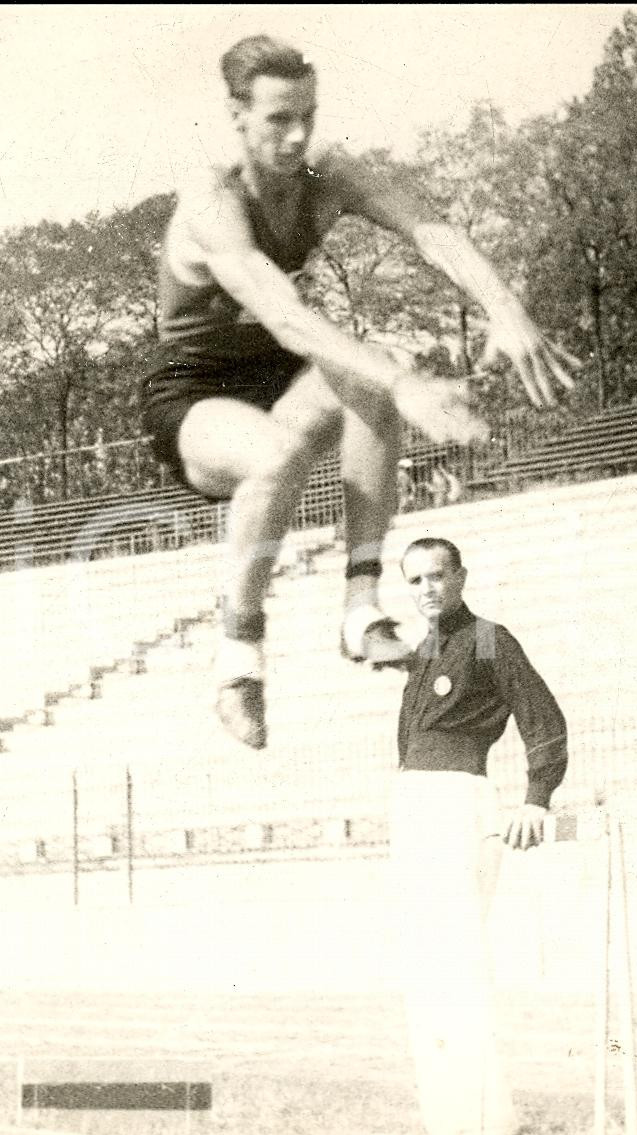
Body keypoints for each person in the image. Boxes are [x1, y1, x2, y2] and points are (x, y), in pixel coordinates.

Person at [140, 34, 576, 749]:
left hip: (284, 377)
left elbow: (431, 229)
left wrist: (507, 308)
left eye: (307, 115)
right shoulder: (212, 202)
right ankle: (238, 658)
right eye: (278, 119)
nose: (298, 135)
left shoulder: (327, 177)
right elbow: (284, 314)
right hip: (195, 395)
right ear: (237, 115)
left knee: (373, 366)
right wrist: (407, 386)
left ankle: (360, 608)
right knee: (289, 444)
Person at [393, 536, 567, 1135]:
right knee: (426, 966)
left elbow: (541, 715)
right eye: (414, 581)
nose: (427, 590)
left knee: (458, 961)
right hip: (415, 804)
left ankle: (489, 1121)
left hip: (457, 802)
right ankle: (449, 1120)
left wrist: (536, 796)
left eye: (437, 576)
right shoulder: (424, 649)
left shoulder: (490, 638)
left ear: (460, 576)